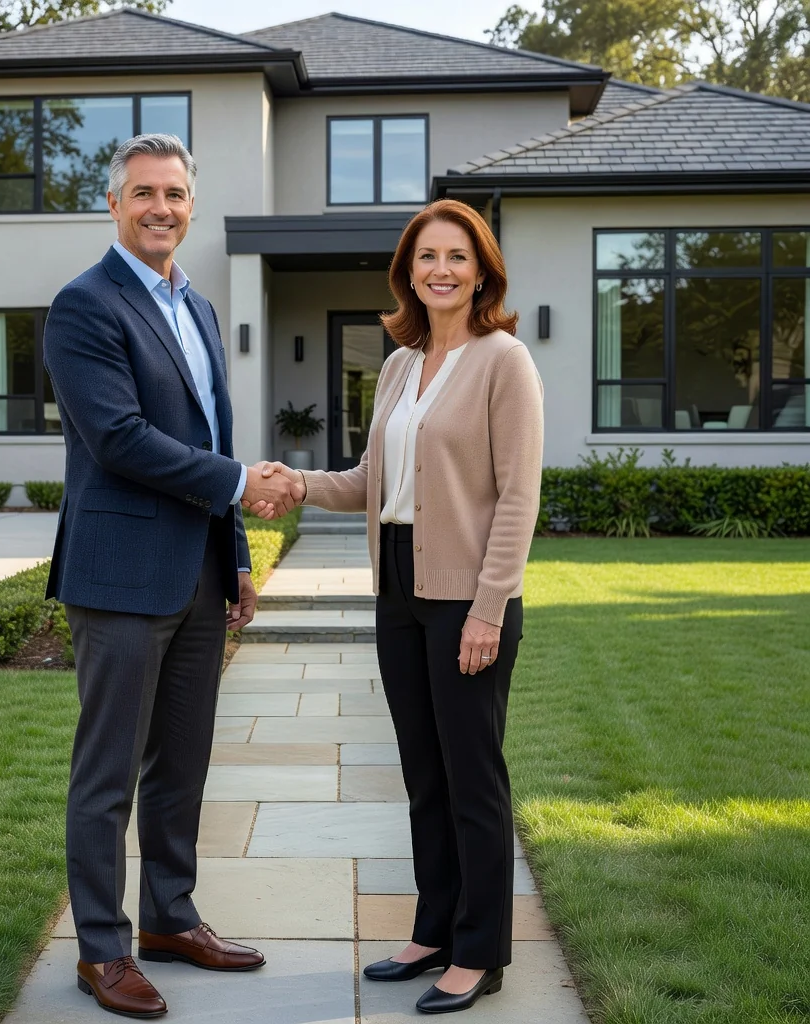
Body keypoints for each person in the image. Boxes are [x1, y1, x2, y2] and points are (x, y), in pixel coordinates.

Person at [249, 199, 543, 1015]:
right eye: (426, 258)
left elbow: (519, 496)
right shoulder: (400, 365)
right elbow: (372, 482)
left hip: (468, 595)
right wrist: (296, 484)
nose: (440, 270)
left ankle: (479, 952)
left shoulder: (504, 360)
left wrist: (489, 608)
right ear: (407, 273)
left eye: (456, 256)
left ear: (481, 269)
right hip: (400, 588)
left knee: (472, 778)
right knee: (422, 774)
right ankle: (434, 929)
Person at [43, 134, 296, 1019]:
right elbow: (117, 438)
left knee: (182, 762)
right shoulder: (84, 307)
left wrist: (235, 559)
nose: (161, 208)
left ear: (193, 206)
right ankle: (103, 951)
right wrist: (238, 484)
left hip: (195, 571)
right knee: (107, 775)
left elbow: (209, 436)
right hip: (118, 576)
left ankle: (169, 918)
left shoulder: (198, 307)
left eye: (177, 194)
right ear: (113, 205)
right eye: (144, 193)